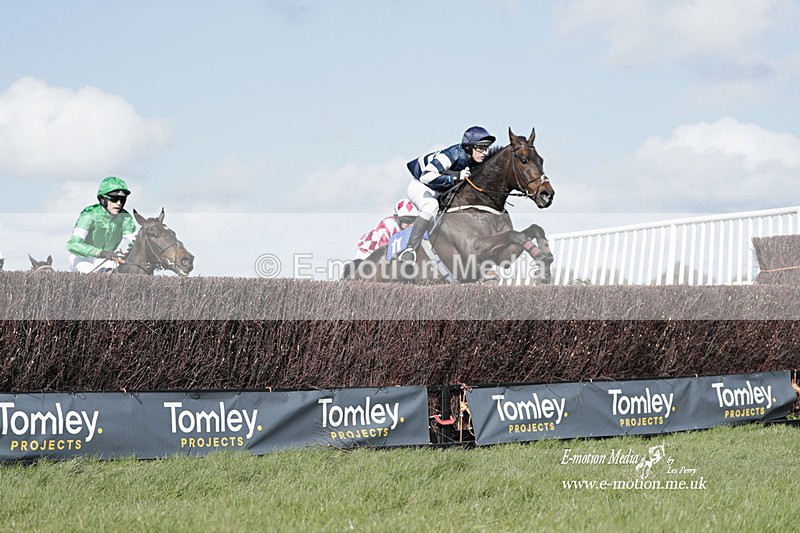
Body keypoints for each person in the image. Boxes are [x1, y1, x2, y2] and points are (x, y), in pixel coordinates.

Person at [399, 125, 495, 262]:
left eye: (486, 148)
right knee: (431, 206)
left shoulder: (476, 160)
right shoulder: (451, 155)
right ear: (468, 147)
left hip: (441, 189)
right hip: (422, 186)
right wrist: (455, 177)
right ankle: (410, 250)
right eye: (480, 148)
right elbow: (426, 177)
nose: (484, 152)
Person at [66, 176, 137, 273]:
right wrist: (100, 252)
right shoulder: (89, 215)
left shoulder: (126, 217)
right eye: (114, 199)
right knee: (90, 272)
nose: (119, 203)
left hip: (106, 260)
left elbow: (135, 242)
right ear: (103, 199)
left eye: (122, 199)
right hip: (82, 258)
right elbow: (73, 244)